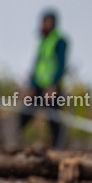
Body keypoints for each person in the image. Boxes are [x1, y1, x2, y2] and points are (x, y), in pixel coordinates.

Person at [20, 9, 69, 147]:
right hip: (38, 86)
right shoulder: (42, 41)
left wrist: (53, 85)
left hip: (51, 88)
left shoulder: (60, 41)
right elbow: (37, 64)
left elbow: (61, 65)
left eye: (46, 22)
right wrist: (32, 84)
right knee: (25, 115)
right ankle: (13, 140)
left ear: (53, 23)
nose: (43, 25)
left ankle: (57, 148)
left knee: (54, 120)